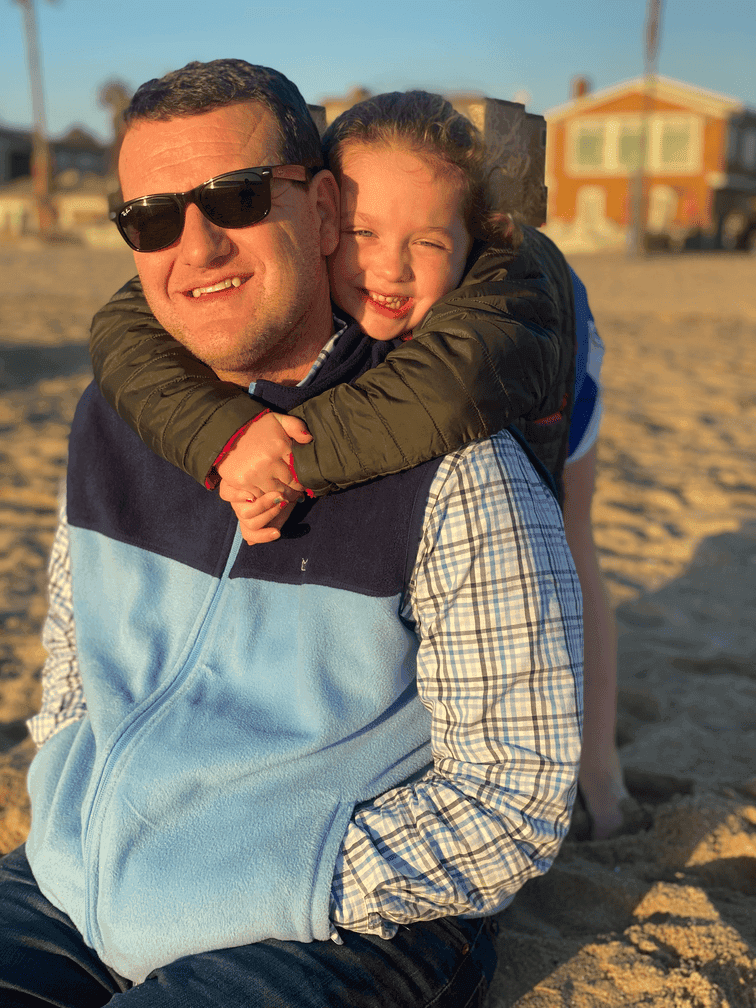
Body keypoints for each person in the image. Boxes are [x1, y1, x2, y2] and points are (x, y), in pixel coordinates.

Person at [0, 60, 582, 1007]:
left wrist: (287, 869)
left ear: (320, 212)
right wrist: (78, 796)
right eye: (149, 217)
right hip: (68, 883)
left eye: (231, 199)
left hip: (329, 921)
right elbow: (72, 662)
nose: (194, 248)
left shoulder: (458, 464)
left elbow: (510, 800)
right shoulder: (109, 421)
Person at [90, 85, 632, 840]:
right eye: (363, 232)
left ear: (477, 238)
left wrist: (274, 457)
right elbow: (124, 323)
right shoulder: (307, 262)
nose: (389, 268)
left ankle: (602, 774)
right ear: (320, 216)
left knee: (572, 544)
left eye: (428, 242)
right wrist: (225, 432)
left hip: (555, 378)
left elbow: (440, 392)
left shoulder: (511, 297)